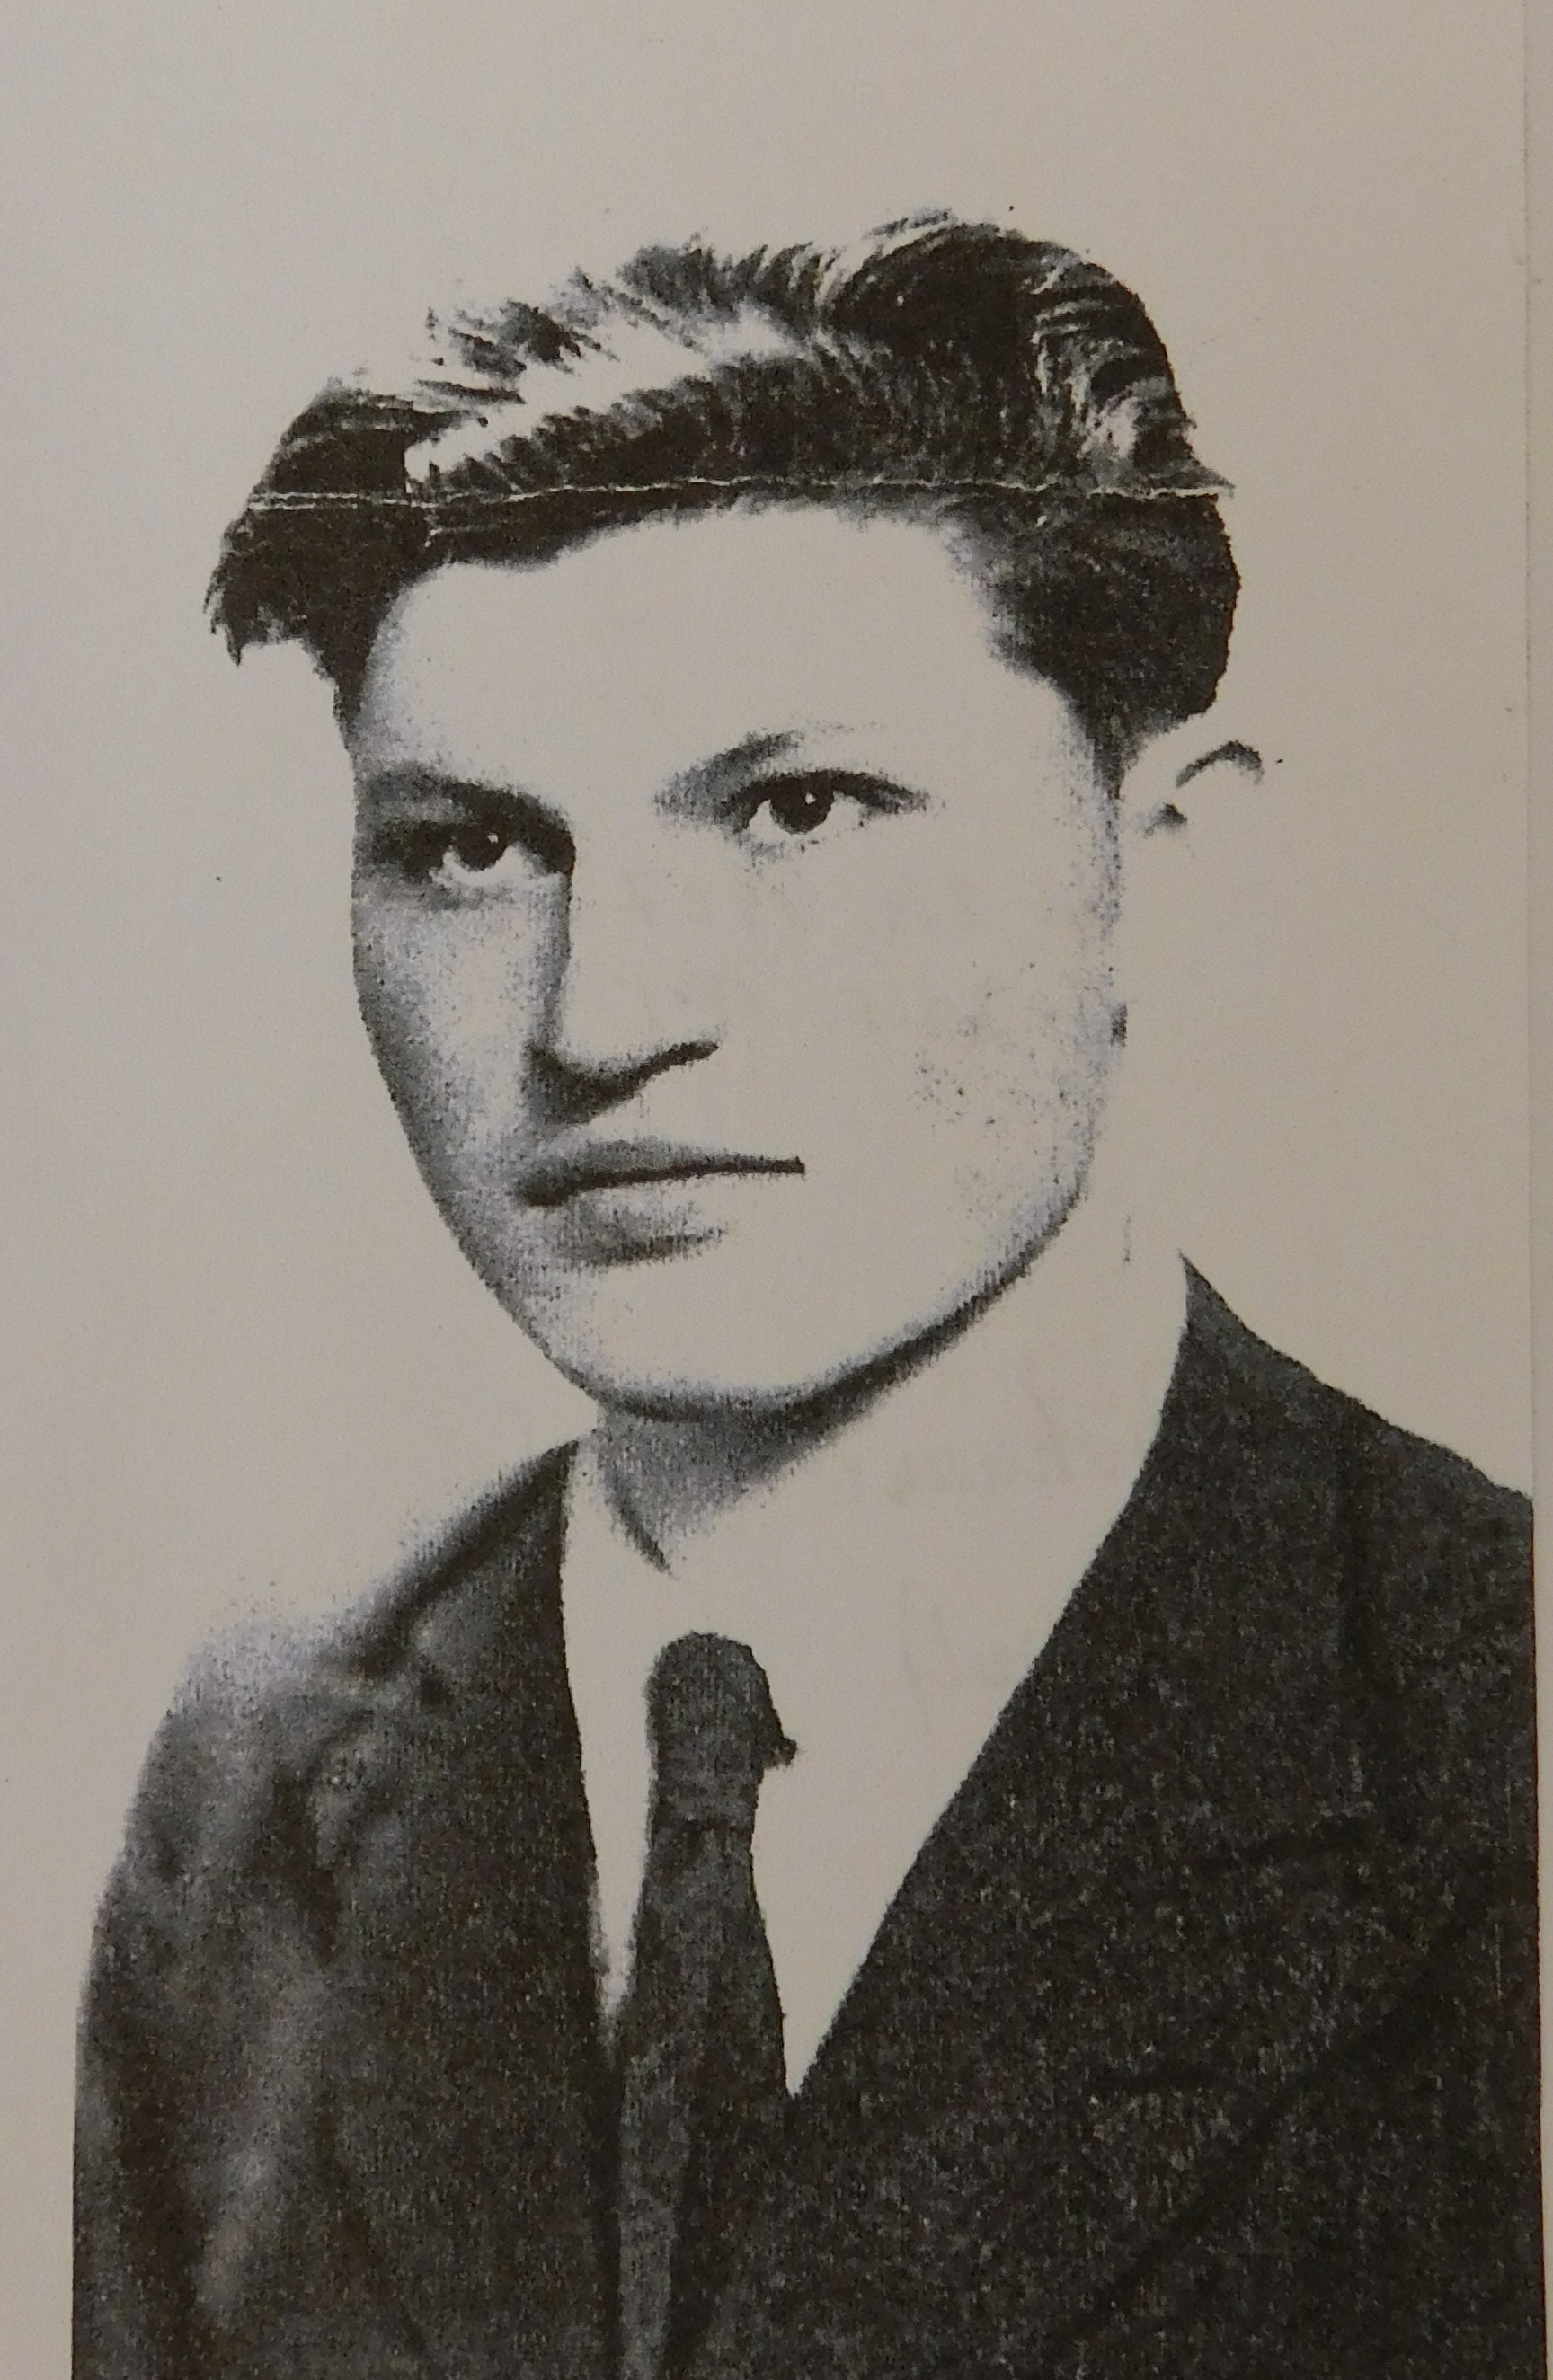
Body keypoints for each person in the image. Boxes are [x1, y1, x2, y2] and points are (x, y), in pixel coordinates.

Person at [75, 215, 1540, 2379]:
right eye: (473, 848)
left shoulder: (1489, 1722)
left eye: (797, 808)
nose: (601, 1021)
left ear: (1168, 864)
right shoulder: (260, 1775)